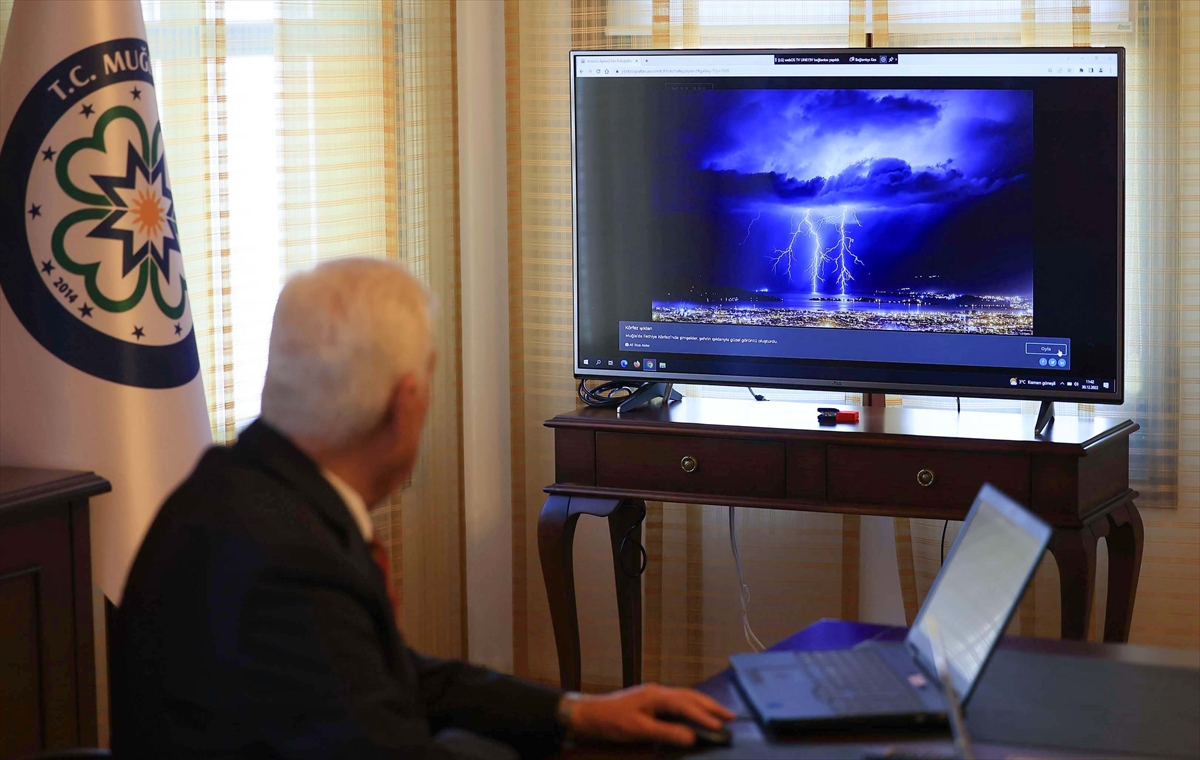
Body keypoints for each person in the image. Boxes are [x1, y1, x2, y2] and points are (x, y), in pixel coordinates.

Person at [112, 258, 733, 759]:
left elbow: (393, 673)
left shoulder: (248, 491)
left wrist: (577, 712)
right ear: (406, 403)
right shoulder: (285, 558)